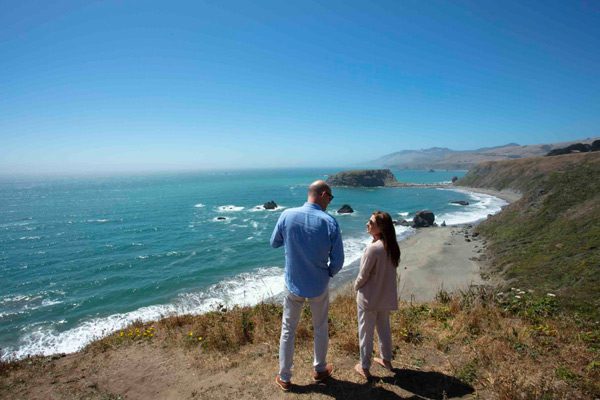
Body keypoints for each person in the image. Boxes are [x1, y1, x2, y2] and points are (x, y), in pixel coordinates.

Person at [270, 180, 344, 391]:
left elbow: (274, 242)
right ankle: (319, 370)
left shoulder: (287, 215)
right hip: (318, 285)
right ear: (322, 194)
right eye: (330, 197)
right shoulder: (329, 221)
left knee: (288, 330)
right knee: (320, 328)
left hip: (293, 284)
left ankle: (284, 377)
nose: (330, 201)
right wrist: (326, 273)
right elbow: (338, 261)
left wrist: (295, 242)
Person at [354, 211, 400, 378]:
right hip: (385, 297)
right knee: (384, 329)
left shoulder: (373, 249)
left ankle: (364, 367)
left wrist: (355, 286)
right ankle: (386, 360)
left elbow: (363, 275)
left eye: (371, 223)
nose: (367, 224)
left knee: (365, 333)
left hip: (369, 299)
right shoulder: (392, 246)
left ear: (380, 228)